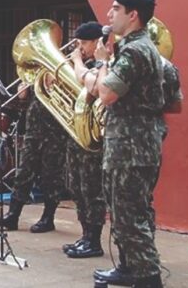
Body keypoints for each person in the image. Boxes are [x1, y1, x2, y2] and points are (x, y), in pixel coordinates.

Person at [85, 0, 166, 288]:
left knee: (130, 217)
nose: (109, 14)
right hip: (133, 144)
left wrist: (103, 60)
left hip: (131, 148)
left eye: (115, 9)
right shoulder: (137, 47)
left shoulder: (134, 50)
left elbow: (106, 94)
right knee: (126, 212)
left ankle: (148, 278)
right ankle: (130, 269)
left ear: (132, 15)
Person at [0, 77, 68, 231]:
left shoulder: (66, 69)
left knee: (51, 177)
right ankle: (13, 215)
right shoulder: (38, 73)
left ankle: (48, 218)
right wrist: (22, 96)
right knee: (23, 173)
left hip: (56, 132)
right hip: (33, 130)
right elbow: (22, 106)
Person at [66, 21, 109, 258]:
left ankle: (94, 240)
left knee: (92, 189)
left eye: (83, 43)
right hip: (77, 134)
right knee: (76, 186)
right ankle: (85, 236)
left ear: (97, 42)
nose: (80, 48)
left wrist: (77, 62)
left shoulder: (103, 64)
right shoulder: (88, 62)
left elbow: (89, 84)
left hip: (94, 138)